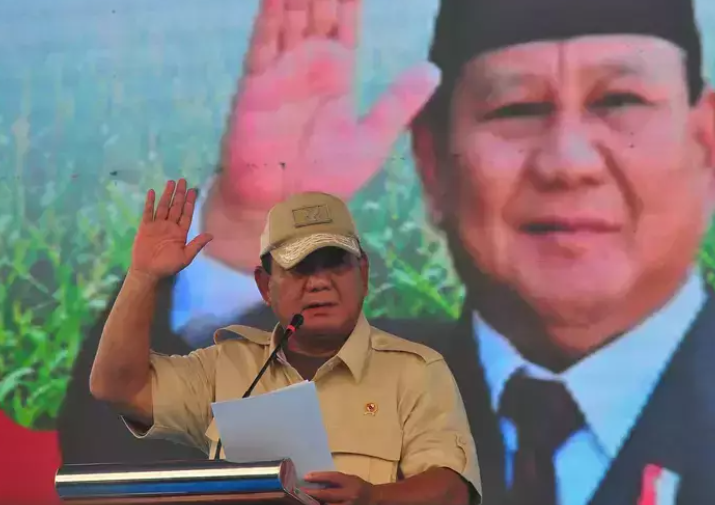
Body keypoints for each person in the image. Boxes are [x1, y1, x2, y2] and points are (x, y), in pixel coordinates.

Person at [65, 0, 715, 503]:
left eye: (619, 101)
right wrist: (250, 222)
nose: (567, 159)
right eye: (516, 107)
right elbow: (132, 473)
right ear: (431, 164)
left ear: (706, 145)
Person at [88, 181, 481, 505]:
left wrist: (373, 498)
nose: (320, 282)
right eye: (301, 267)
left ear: (363, 274)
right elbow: (120, 387)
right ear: (265, 286)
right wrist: (143, 277)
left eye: (335, 263)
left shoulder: (414, 371)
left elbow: (452, 492)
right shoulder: (226, 367)